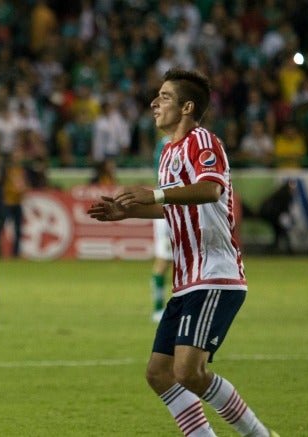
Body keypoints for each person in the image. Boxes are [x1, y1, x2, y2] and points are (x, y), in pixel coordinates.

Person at [87, 68, 278, 437]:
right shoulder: (169, 152)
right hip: (188, 279)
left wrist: (155, 194)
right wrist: (126, 212)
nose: (153, 103)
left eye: (165, 97)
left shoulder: (202, 141)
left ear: (188, 107)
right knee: (159, 373)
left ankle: (260, 435)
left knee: (189, 372)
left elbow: (210, 191)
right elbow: (176, 206)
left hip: (215, 274)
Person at [150, 135, 171, 323]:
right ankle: (158, 309)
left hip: (188, 208)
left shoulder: (192, 139)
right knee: (164, 260)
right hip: (169, 208)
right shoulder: (167, 143)